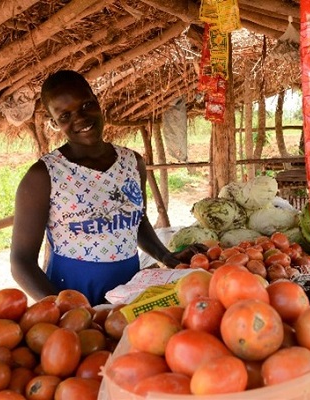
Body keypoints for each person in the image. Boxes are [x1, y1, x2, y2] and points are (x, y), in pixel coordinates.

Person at [10, 70, 194, 305]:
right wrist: (64, 309)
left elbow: (137, 220)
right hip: (71, 290)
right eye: (65, 115)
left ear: (98, 102)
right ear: (55, 122)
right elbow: (20, 261)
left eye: (86, 104)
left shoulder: (132, 162)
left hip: (128, 287)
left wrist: (166, 256)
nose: (81, 118)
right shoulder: (44, 175)